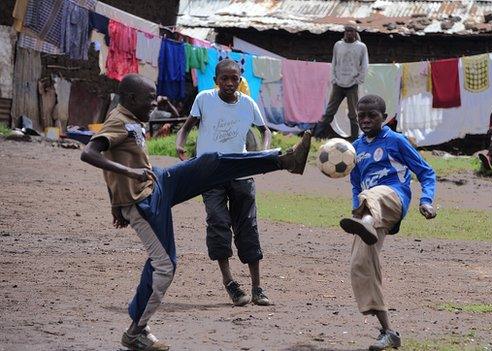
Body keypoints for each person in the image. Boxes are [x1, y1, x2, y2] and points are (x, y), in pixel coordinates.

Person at [80, 73, 311, 351]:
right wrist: (125, 188)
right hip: (143, 203)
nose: (153, 105)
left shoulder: (131, 119)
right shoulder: (117, 120)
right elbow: (90, 153)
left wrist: (114, 201)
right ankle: (135, 332)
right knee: (165, 265)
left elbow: (111, 159)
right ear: (130, 99)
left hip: (159, 183)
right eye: (149, 100)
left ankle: (284, 160)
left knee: (210, 162)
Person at [339, 95, 436, 351]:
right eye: (362, 116)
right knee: (361, 265)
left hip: (393, 199)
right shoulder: (355, 148)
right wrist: (356, 209)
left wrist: (426, 201)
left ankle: (367, 220)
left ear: (385, 117)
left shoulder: (396, 141)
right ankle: (388, 331)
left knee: (373, 194)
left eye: (373, 115)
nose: (367, 120)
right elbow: (356, 184)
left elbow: (426, 172)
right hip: (368, 211)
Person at [176, 59, 273, 307]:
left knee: (247, 226)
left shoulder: (248, 104)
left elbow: (265, 131)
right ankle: (229, 282)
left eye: (235, 79)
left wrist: (262, 153)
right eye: (224, 79)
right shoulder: (204, 99)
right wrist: (180, 144)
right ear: (215, 80)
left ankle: (257, 287)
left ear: (241, 80)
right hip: (210, 172)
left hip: (240, 171)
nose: (230, 83)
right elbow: (186, 127)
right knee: (218, 222)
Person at [313, 25, 369, 140]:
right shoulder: (338, 45)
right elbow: (334, 62)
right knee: (329, 111)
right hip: (338, 83)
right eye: (347, 31)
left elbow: (364, 65)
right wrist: (333, 78)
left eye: (351, 31)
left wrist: (358, 80)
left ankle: (355, 140)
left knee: (353, 114)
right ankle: (316, 136)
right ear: (344, 32)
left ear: (355, 33)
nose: (349, 33)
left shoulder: (361, 47)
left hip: (352, 84)